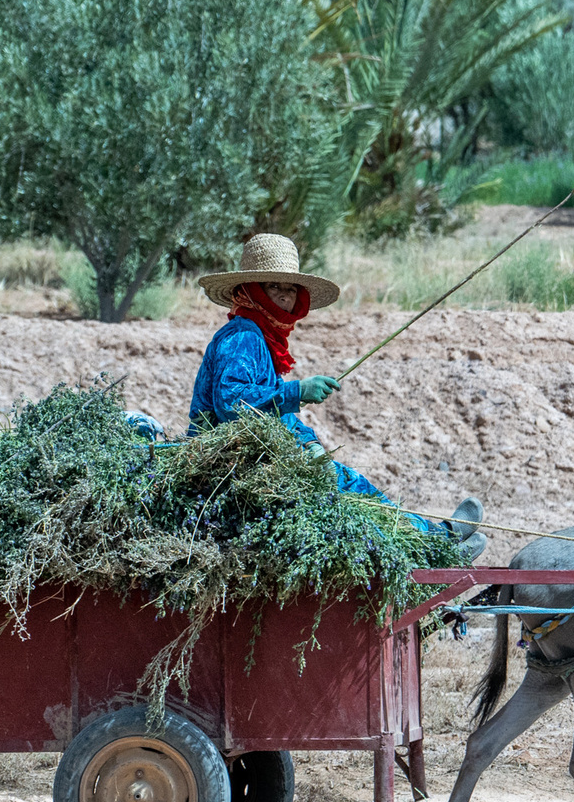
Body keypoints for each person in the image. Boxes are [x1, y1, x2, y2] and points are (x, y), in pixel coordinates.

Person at [191, 233, 485, 559]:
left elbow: (272, 414)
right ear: (251, 291)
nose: (285, 297)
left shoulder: (258, 337)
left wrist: (306, 441)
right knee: (344, 491)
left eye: (290, 289)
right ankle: (432, 545)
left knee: (346, 483)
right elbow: (232, 402)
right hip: (228, 464)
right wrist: (297, 390)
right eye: (275, 287)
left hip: (254, 456)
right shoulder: (242, 336)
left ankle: (433, 541)